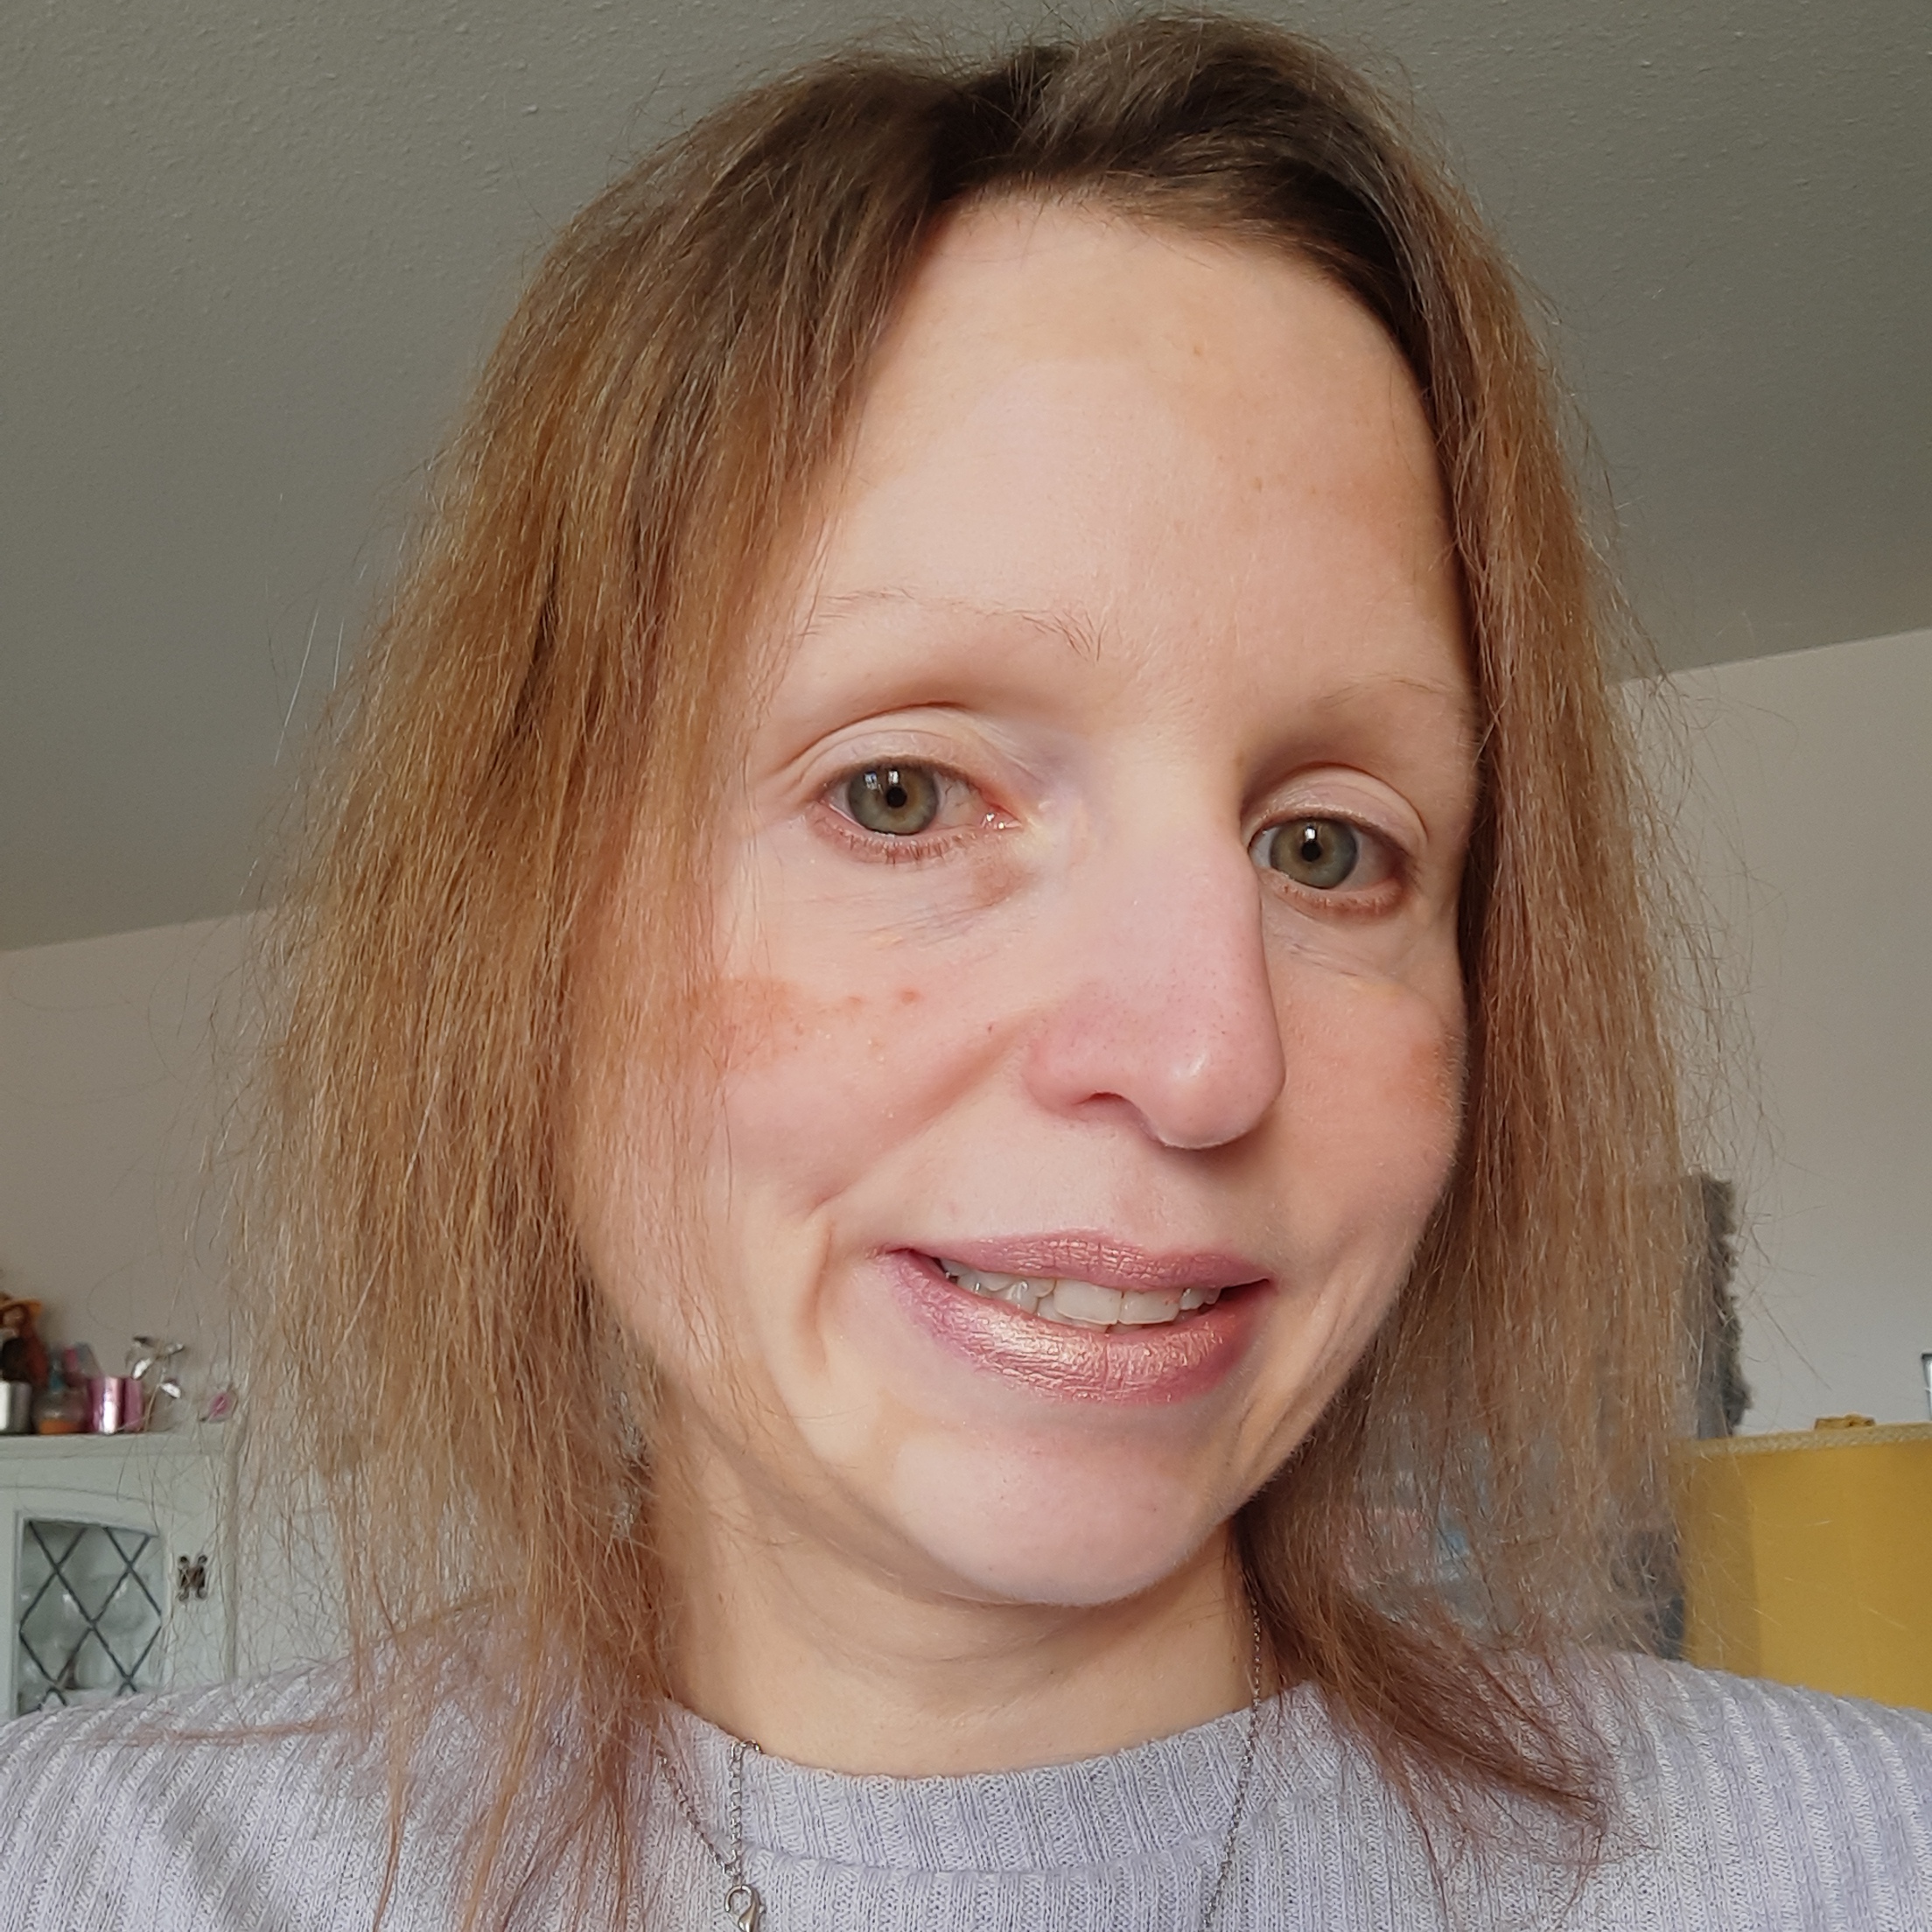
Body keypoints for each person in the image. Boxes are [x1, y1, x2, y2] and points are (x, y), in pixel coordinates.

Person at [2, 15, 1926, 1929]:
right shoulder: (102, 1873)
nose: (1203, 1057)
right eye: (903, 794)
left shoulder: (1846, 1864)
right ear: (531, 940)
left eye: (1326, 847)